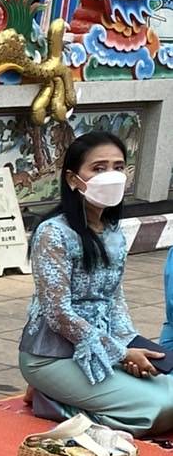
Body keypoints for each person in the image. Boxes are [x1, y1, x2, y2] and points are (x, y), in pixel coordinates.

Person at [20, 131, 173, 435]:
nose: (111, 176)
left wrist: (130, 344)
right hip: (51, 355)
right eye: (98, 168)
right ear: (73, 179)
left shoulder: (113, 231)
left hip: (103, 347)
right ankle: (49, 400)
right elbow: (58, 314)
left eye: (118, 167)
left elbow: (114, 299)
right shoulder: (53, 233)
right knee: (156, 411)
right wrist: (119, 353)